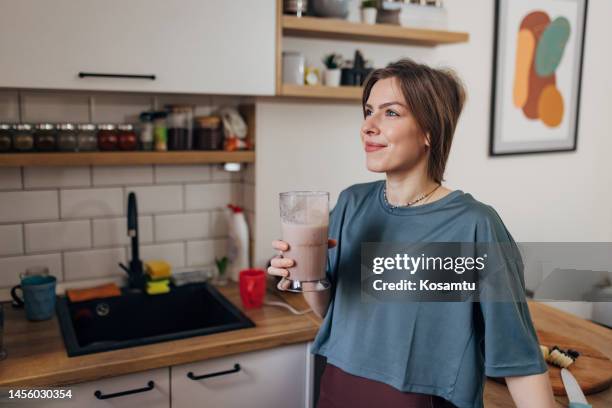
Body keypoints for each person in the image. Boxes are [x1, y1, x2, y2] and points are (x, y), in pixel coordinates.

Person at [267, 59, 556, 408]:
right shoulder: (351, 204)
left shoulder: (474, 226)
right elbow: (332, 313)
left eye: (390, 113)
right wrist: (306, 274)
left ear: (428, 132)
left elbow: (519, 357)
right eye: (369, 110)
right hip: (337, 390)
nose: (368, 126)